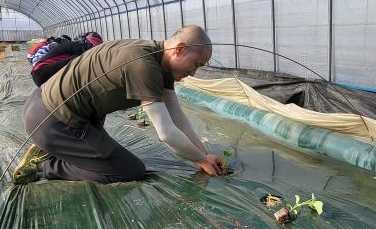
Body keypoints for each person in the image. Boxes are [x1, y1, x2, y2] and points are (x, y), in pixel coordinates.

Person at [13, 25, 223, 184]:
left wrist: (203, 153)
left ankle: (59, 148)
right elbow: (166, 133)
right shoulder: (144, 65)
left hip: (51, 108)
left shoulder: (157, 57)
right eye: (196, 64)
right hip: (51, 119)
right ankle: (43, 165)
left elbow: (176, 115)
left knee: (108, 151)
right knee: (129, 170)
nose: (194, 72)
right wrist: (201, 160)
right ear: (180, 49)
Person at [30, 32, 103, 86]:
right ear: (87, 43)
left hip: (38, 72)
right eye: (93, 46)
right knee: (78, 59)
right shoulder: (76, 47)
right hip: (41, 72)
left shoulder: (70, 45)